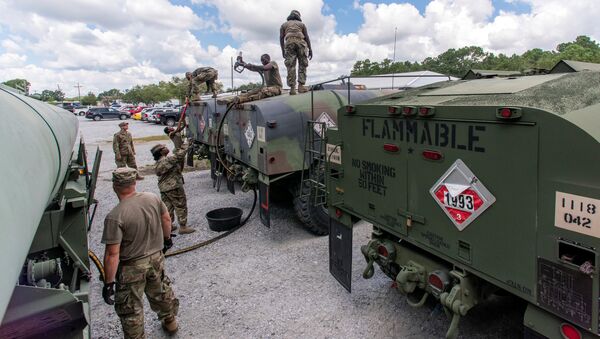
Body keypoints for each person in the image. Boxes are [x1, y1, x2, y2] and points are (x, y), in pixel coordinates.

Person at [101, 167, 179, 338]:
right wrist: (167, 240)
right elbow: (166, 219)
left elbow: (112, 254)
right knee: (161, 292)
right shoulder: (152, 198)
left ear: (115, 186)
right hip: (156, 258)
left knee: (131, 308)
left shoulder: (115, 216)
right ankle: (170, 322)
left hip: (131, 267)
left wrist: (108, 283)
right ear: (135, 182)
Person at [151, 143, 196, 234]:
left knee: (168, 207)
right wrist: (186, 145)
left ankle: (169, 226)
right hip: (173, 187)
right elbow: (179, 155)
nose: (166, 148)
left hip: (164, 188)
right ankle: (183, 227)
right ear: (161, 152)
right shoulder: (166, 160)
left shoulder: (158, 162)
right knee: (180, 206)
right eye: (164, 148)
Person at [280, 10, 312, 95]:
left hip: (289, 42)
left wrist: (283, 50)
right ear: (298, 16)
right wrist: (310, 49)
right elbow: (307, 37)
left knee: (291, 65)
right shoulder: (302, 24)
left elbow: (281, 38)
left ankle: (292, 88)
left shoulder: (284, 25)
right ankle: (301, 86)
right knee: (303, 64)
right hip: (301, 42)